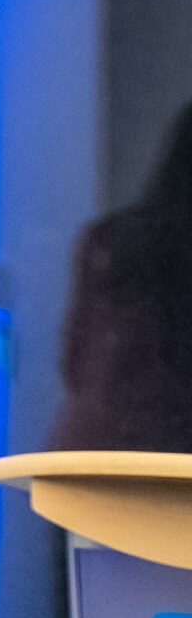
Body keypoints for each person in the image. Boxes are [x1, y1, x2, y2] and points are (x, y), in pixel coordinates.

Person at [48, 97, 192, 454]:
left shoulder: (110, 240)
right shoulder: (112, 243)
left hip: (94, 446)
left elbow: (73, 360)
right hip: (161, 452)